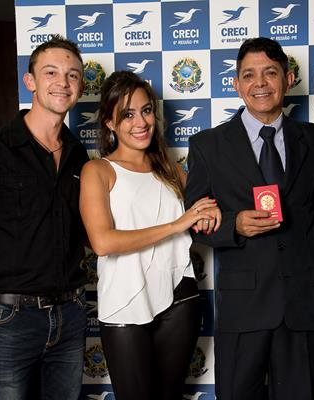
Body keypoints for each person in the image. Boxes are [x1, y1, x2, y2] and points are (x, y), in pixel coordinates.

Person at [0, 35, 90, 400]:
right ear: (30, 81)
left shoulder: (78, 155)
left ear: (80, 86)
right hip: (9, 318)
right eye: (51, 72)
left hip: (71, 314)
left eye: (72, 75)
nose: (63, 82)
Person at [185, 37, 314, 400]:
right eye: (249, 75)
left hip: (302, 301)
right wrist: (233, 225)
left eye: (270, 73)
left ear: (288, 78)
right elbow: (195, 221)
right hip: (243, 304)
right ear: (236, 84)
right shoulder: (208, 145)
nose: (259, 83)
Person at [79, 70, 220, 400]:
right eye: (127, 114)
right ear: (110, 123)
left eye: (146, 111)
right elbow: (103, 242)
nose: (141, 122)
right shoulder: (98, 170)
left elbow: (203, 213)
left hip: (180, 296)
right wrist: (176, 224)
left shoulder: (171, 169)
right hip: (124, 299)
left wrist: (210, 213)